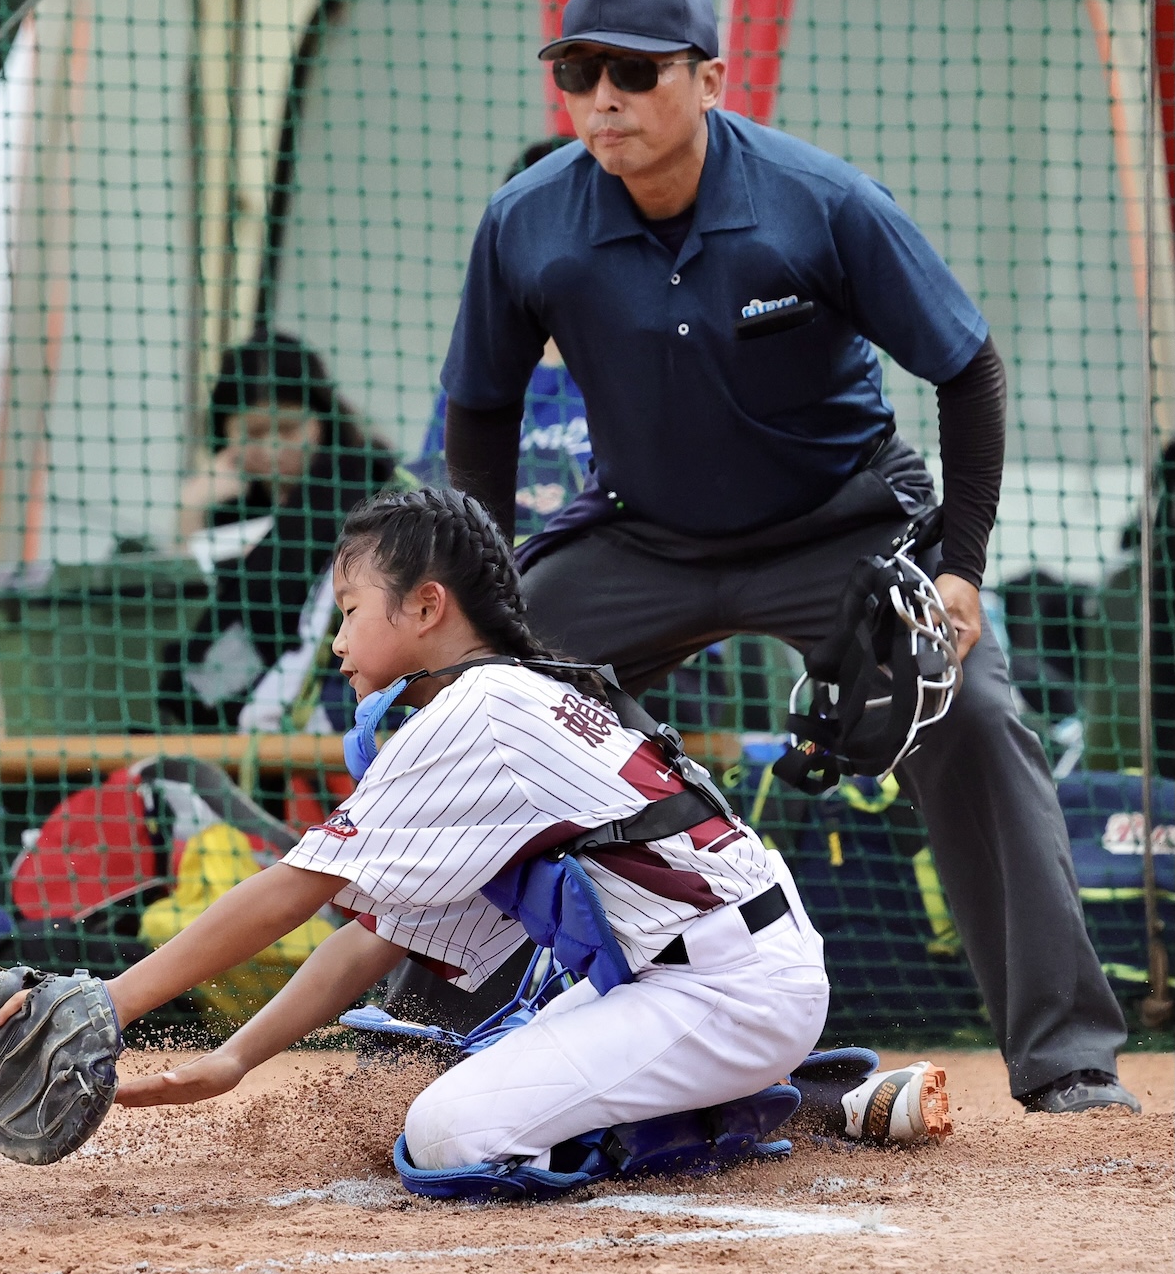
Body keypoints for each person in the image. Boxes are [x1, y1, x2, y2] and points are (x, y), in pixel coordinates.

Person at [441, 0, 1136, 1113]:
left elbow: (966, 370)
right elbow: (479, 413)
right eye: (577, 71)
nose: (602, 97)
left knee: (968, 715)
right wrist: (483, 609)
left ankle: (1066, 1059)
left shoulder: (817, 201)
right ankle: (437, 1034)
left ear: (708, 80)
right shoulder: (526, 220)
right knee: (482, 717)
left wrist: (960, 569)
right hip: (645, 538)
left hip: (842, 527)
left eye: (633, 72)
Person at [62, 487, 948, 1192]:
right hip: (705, 973)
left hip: (723, 987)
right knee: (484, 1074)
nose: (336, 643)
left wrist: (111, 1003)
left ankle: (768, 1104)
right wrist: (234, 1057)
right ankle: (812, 1093)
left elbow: (295, 885)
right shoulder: (507, 692)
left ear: (426, 606)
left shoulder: (480, 708)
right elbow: (373, 936)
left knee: (447, 1137)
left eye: (350, 609)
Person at [166, 332, 401, 732]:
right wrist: (191, 510)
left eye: (289, 429)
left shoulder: (367, 488)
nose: (274, 449)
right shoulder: (229, 508)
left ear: (322, 419)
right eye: (254, 433)